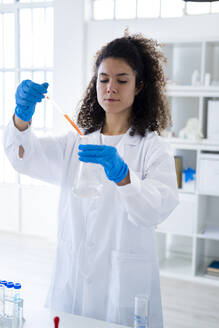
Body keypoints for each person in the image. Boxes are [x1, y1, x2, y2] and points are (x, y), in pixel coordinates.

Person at [3, 32, 179, 328]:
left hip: (122, 282)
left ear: (139, 86)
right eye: (103, 79)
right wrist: (21, 117)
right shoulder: (76, 143)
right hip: (73, 278)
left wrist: (124, 177)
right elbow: (24, 157)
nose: (111, 88)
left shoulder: (152, 148)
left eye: (122, 80)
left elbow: (157, 209)